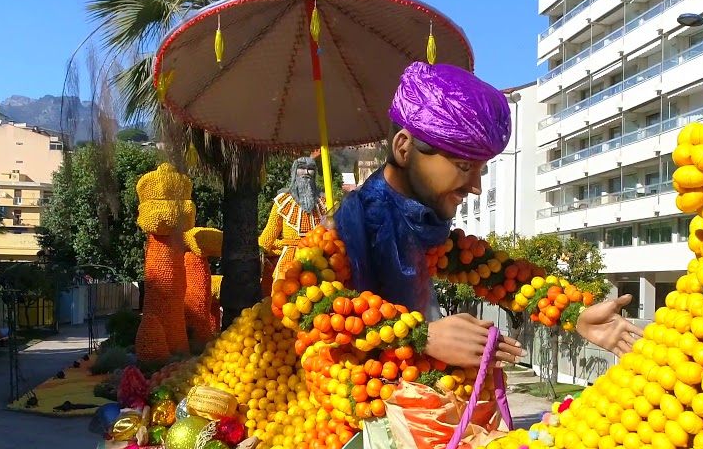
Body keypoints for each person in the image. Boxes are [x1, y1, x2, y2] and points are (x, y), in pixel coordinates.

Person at [333, 61, 642, 368]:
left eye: (481, 169)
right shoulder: (341, 234)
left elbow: (502, 276)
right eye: (465, 166)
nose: (476, 187)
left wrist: (576, 314)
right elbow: (294, 302)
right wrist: (422, 336)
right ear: (404, 148)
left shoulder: (428, 235)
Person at [258, 155, 327, 294]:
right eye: (302, 168)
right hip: (288, 260)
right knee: (281, 299)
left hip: (318, 259)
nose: (306, 173)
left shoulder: (325, 202)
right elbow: (269, 232)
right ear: (294, 171)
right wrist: (259, 250)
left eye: (311, 169)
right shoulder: (282, 201)